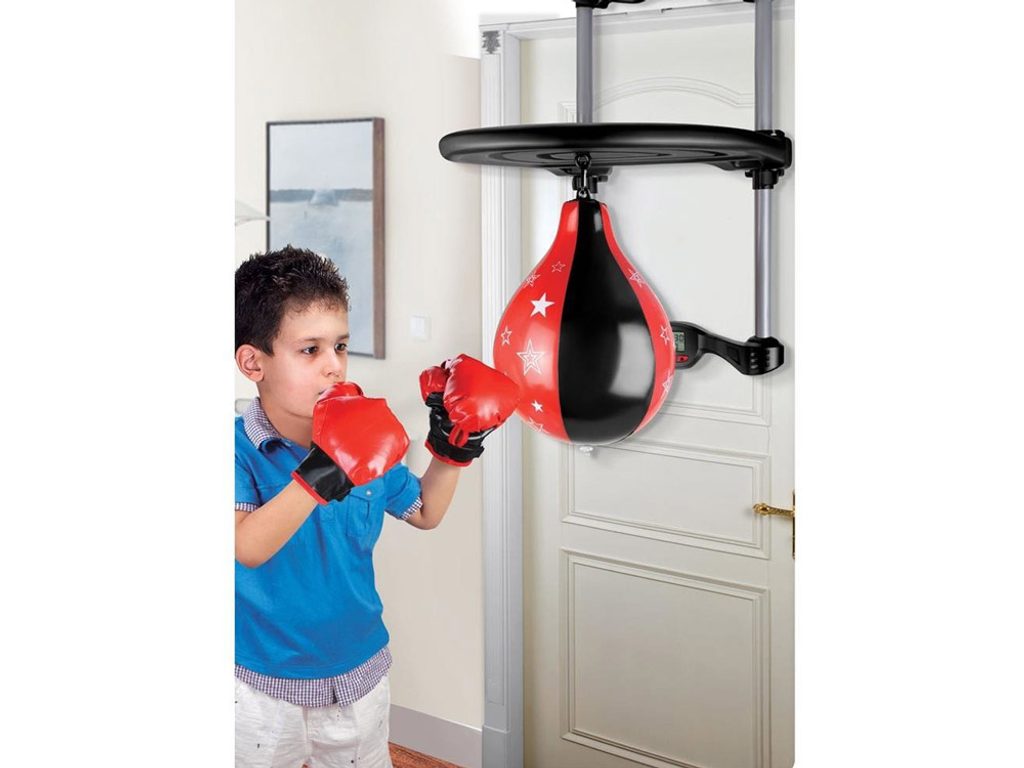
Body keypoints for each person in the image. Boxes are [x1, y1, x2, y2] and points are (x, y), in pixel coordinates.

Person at [234, 246, 519, 768]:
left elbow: (425, 511)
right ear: (254, 362)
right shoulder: (236, 449)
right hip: (259, 687)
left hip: (357, 678)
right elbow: (246, 546)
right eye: (310, 350)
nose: (334, 367)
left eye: (340, 346)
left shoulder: (365, 435)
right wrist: (326, 467)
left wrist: (453, 445)